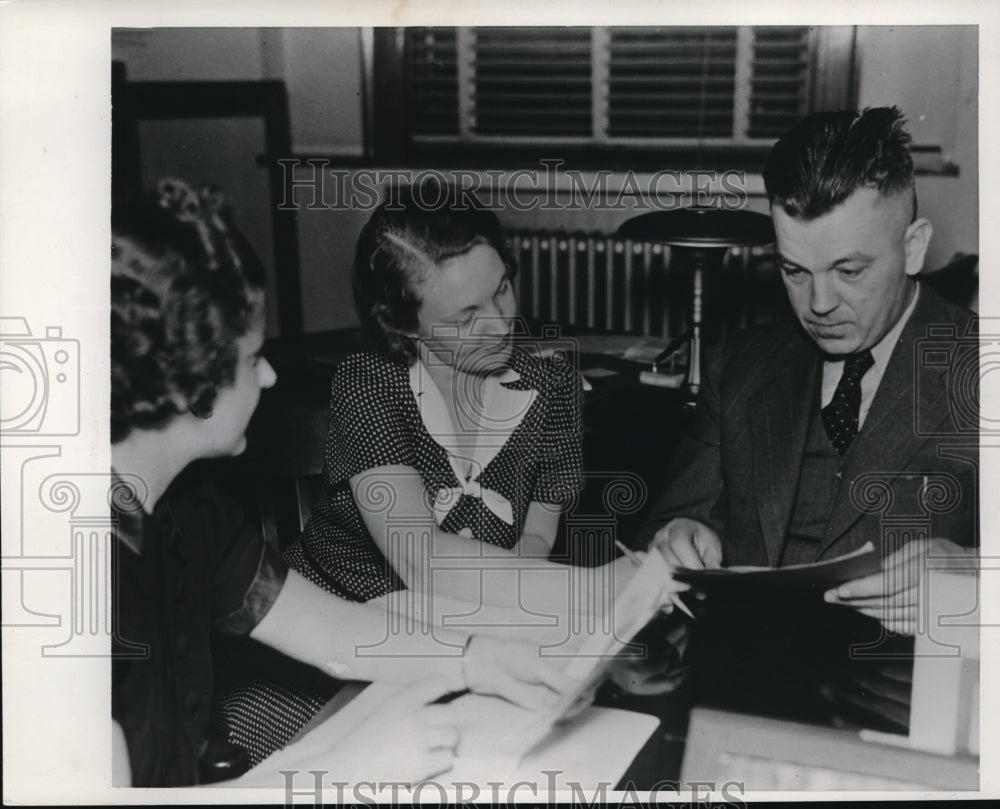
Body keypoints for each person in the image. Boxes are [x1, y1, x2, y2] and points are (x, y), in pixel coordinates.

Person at [110, 178, 577, 787]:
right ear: (183, 385)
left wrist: (476, 661)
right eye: (253, 359)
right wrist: (345, 771)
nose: (273, 377)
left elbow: (335, 629)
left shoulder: (190, 510)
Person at [638, 107, 978, 727]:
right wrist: (678, 535)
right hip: (735, 697)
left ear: (913, 245)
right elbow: (670, 520)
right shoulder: (741, 365)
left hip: (905, 708)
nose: (819, 305)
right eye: (795, 271)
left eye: (849, 271)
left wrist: (978, 573)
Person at [283, 180, 647, 614]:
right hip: (334, 624)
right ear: (403, 326)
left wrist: (514, 607)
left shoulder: (554, 386)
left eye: (502, 289)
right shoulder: (369, 385)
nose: (500, 324)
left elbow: (536, 539)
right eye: (466, 316)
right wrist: (596, 591)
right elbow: (421, 563)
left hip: (464, 626)